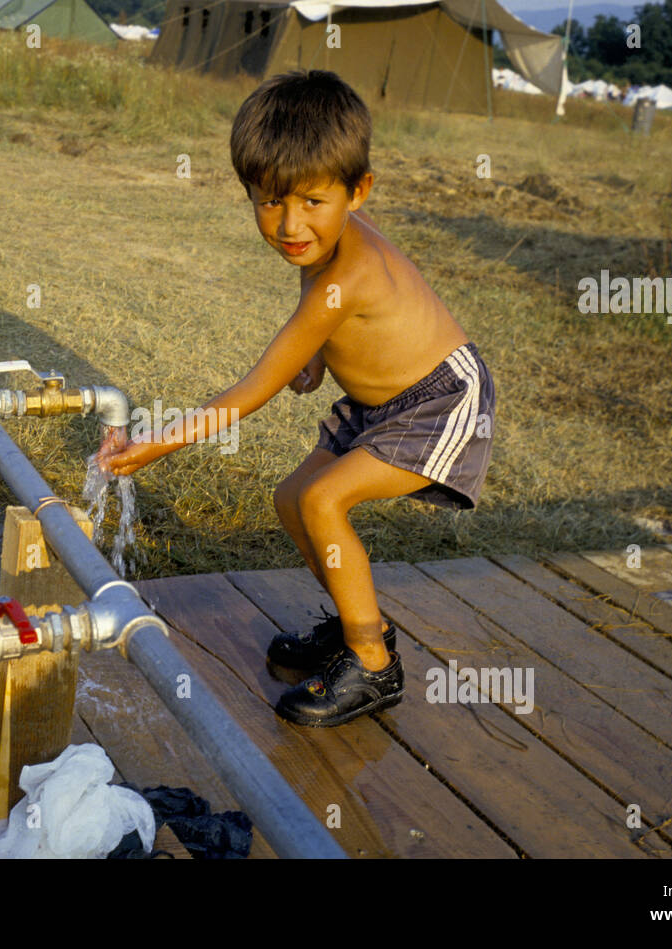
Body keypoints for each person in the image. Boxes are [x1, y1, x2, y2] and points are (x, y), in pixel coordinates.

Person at [102, 70, 495, 727]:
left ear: (358, 191)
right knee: (293, 501)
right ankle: (355, 623)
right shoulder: (327, 245)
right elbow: (326, 308)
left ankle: (373, 663)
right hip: (382, 403)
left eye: (311, 201)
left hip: (439, 401)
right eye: (269, 201)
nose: (289, 224)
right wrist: (318, 353)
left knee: (323, 498)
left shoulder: (350, 269)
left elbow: (254, 389)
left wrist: (157, 444)